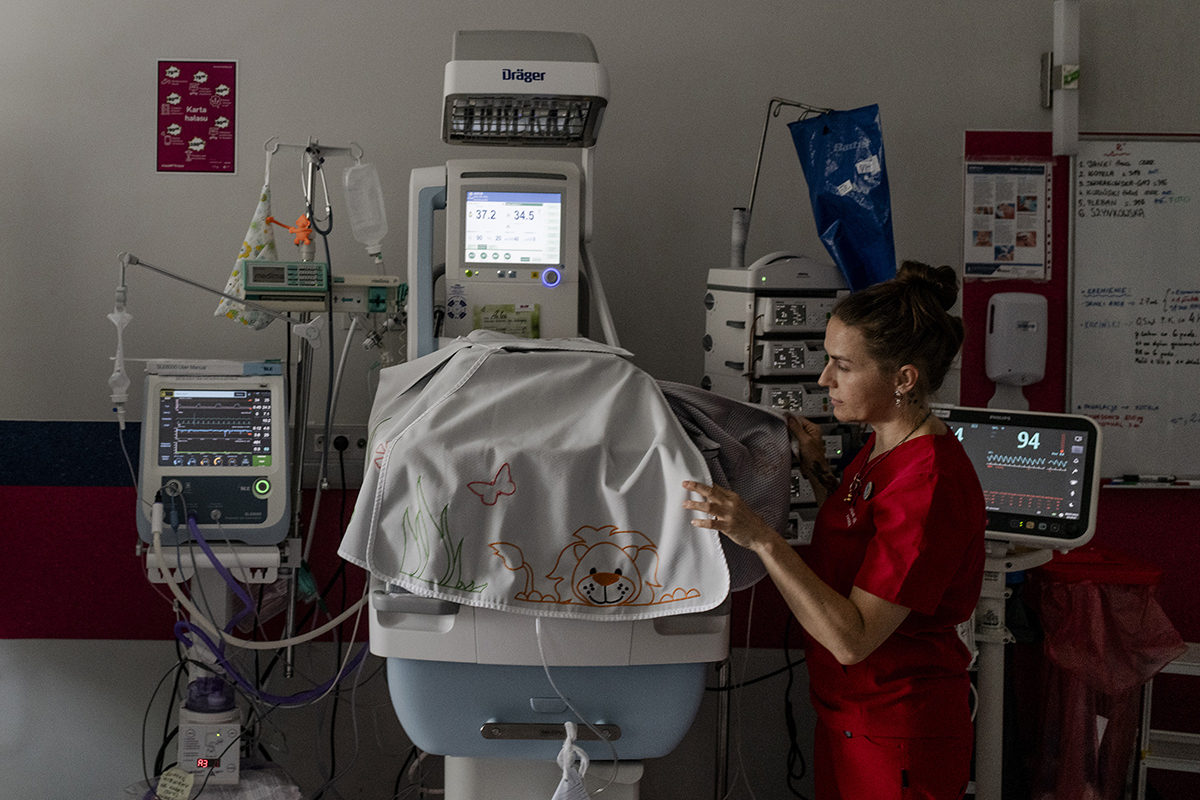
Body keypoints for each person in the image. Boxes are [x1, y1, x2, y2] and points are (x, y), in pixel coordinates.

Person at [683, 261, 986, 800]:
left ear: (904, 378)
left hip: (898, 733)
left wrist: (760, 537)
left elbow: (852, 639)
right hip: (848, 715)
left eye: (843, 366)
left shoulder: (929, 483)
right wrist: (817, 471)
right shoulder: (883, 443)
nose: (824, 379)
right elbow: (858, 533)